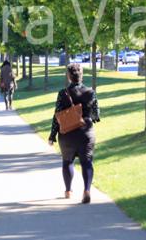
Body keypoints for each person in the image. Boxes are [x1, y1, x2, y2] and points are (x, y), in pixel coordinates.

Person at [48, 63, 100, 204]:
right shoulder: (90, 92)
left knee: (67, 161)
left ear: (69, 76)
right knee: (87, 162)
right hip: (86, 133)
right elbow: (96, 115)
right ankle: (87, 190)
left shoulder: (63, 93)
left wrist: (52, 135)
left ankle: (68, 191)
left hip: (67, 133)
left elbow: (56, 116)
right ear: (81, 75)